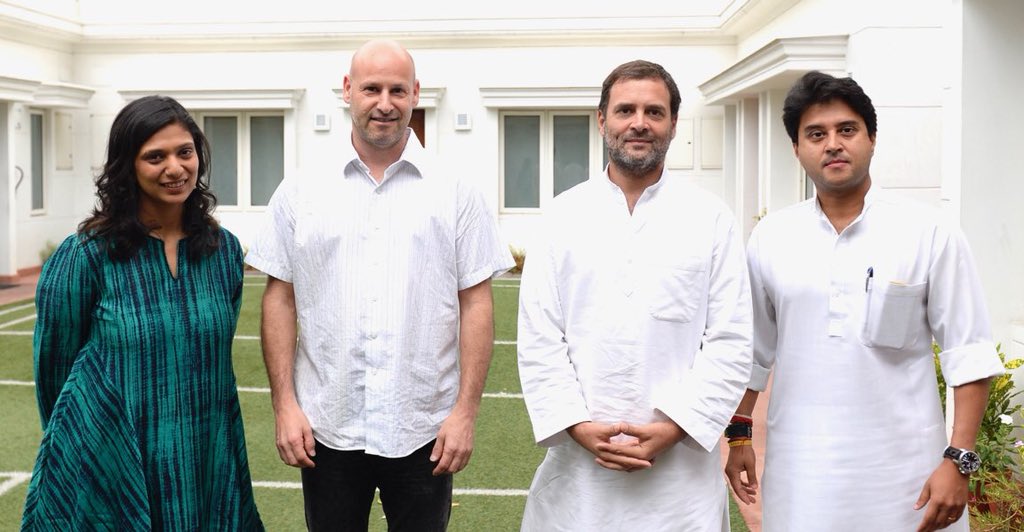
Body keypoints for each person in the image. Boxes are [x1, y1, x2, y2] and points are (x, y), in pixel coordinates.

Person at [246, 39, 513, 531]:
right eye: (372, 89)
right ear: (348, 90)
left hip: (423, 427)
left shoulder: (456, 190)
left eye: (397, 90)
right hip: (327, 424)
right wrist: (284, 405)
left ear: (416, 93)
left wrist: (465, 414)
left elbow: (476, 304)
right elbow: (280, 298)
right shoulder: (301, 189)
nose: (385, 104)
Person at [724, 71, 1005, 532]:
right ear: (797, 149)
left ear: (872, 139)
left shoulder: (929, 232)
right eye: (816, 134)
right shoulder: (772, 237)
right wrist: (739, 435)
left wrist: (959, 460)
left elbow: (968, 352)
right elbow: (752, 350)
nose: (833, 144)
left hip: (908, 474)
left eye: (847, 130)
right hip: (802, 473)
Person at [517, 59, 753, 531]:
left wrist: (675, 427)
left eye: (654, 112)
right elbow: (540, 336)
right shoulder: (563, 216)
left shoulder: (710, 218)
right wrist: (578, 426)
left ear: (673, 123)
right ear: (602, 119)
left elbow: (731, 340)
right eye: (625, 110)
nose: (639, 123)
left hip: (681, 483)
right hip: (579, 475)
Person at [22, 95, 263, 530]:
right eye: (155, 157)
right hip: (113, 459)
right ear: (127, 167)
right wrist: (85, 451)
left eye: (184, 152)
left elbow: (215, 356)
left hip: (204, 452)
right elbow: (54, 372)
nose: (175, 168)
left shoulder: (223, 250)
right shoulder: (86, 255)